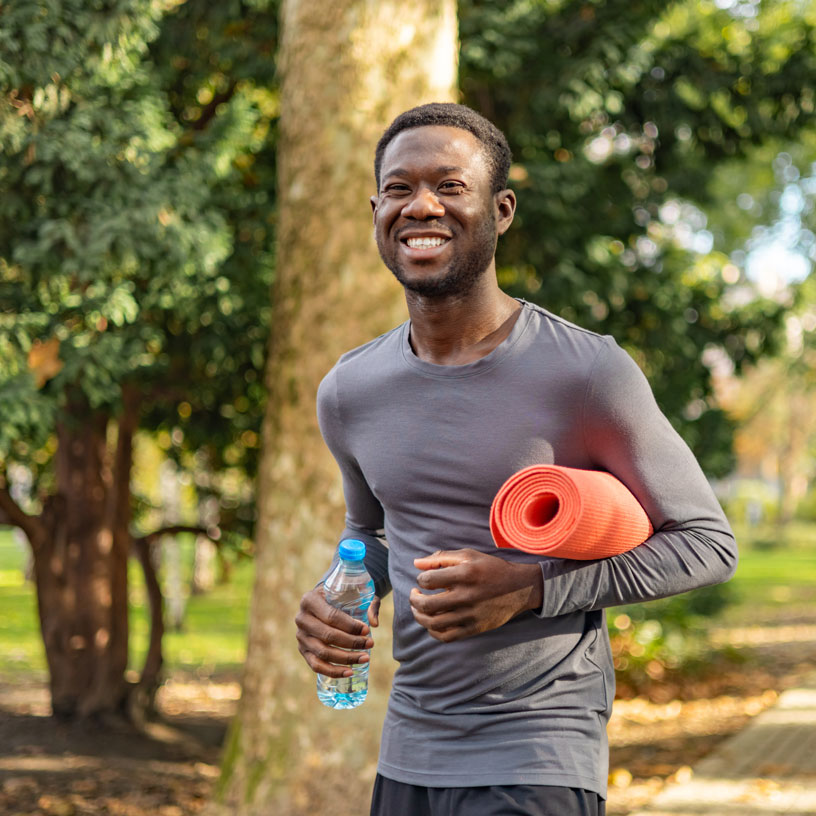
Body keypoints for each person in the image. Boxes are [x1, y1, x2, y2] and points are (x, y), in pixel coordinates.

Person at [294, 102, 737, 816]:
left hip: (539, 750)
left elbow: (707, 544)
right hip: (409, 748)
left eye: (449, 185)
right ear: (376, 210)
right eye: (399, 189)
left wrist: (532, 587)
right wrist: (336, 597)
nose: (422, 206)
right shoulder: (350, 389)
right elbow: (373, 536)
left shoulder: (586, 372)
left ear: (501, 210)